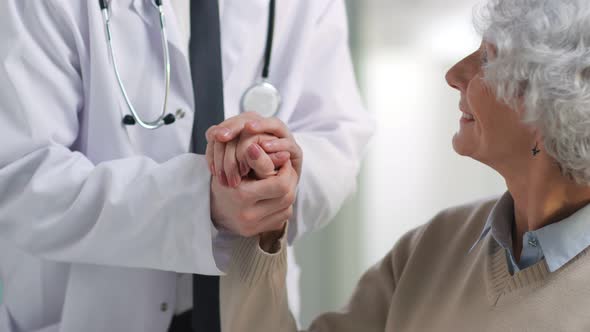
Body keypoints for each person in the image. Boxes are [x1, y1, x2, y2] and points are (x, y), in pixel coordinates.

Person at [0, 0, 373, 331]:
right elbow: (20, 177)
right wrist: (202, 203)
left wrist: (274, 174)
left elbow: (336, 137)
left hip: (251, 308)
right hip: (88, 311)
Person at [219, 0, 590, 330]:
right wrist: (263, 222)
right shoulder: (436, 243)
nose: (454, 74)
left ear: (555, 111)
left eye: (488, 60)